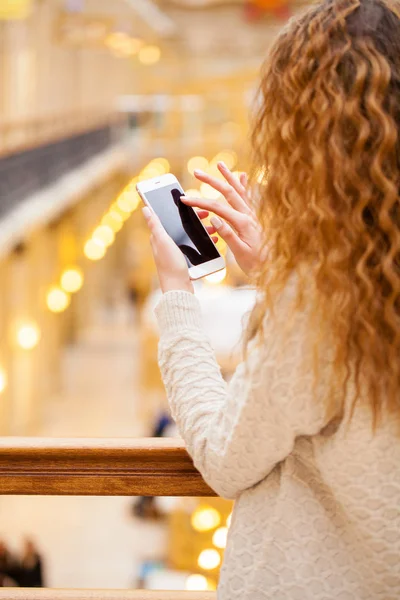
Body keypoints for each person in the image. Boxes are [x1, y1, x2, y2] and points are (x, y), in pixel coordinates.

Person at [143, 0, 400, 598]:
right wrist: (280, 275)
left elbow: (222, 455)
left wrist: (177, 294)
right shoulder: (345, 285)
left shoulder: (323, 300)